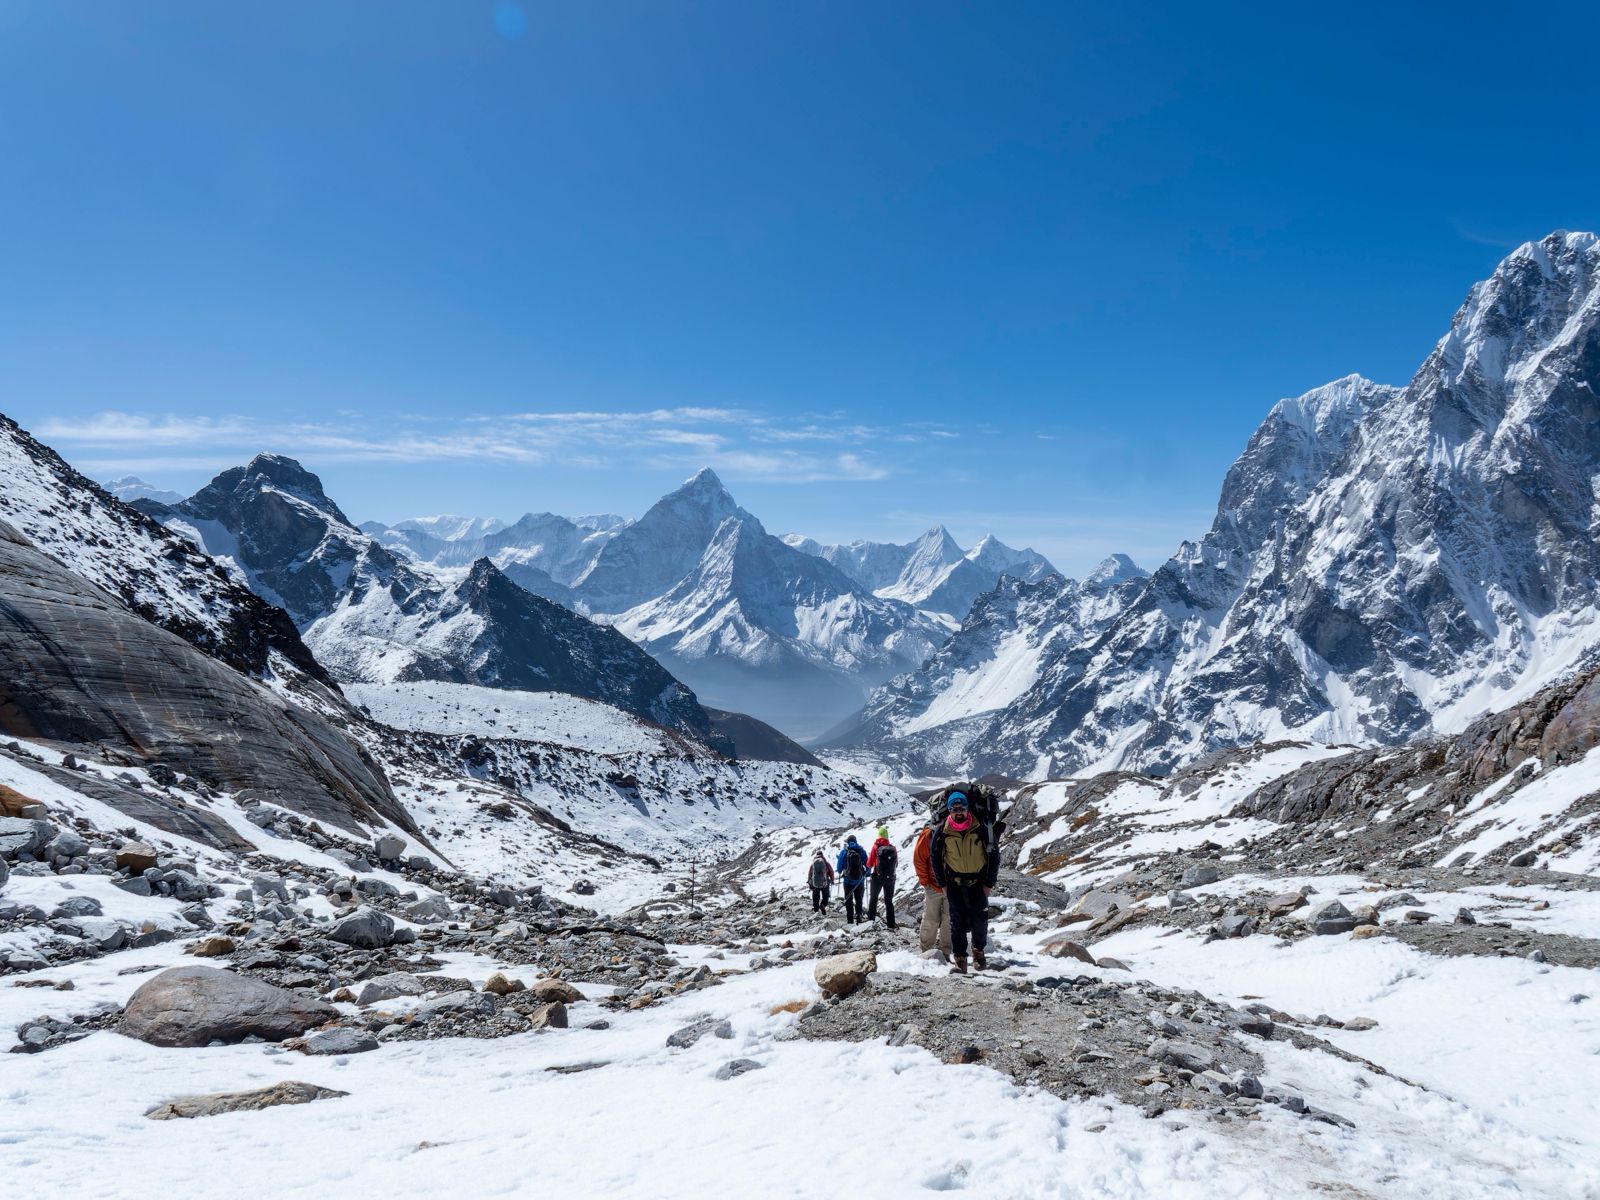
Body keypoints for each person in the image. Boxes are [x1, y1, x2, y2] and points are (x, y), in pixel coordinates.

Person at [930, 791, 998, 974]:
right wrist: (942, 884)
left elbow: (994, 856)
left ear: (967, 808)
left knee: (979, 920)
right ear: (949, 810)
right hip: (954, 883)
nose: (958, 812)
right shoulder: (942, 830)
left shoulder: (981, 827)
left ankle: (979, 952)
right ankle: (960, 959)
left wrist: (989, 884)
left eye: (962, 808)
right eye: (954, 809)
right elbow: (935, 857)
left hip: (978, 882)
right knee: (957, 923)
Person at [912, 820, 952, 957]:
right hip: (948, 884)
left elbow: (919, 859)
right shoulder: (931, 833)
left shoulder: (929, 832)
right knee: (947, 919)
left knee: (932, 918)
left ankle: (928, 950)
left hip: (937, 884)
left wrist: (925, 881)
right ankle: (939, 952)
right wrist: (925, 882)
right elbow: (919, 859)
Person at [865, 825, 898, 929]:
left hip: (877, 876)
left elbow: (869, 864)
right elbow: (896, 863)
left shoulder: (876, 847)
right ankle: (891, 924)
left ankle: (870, 922)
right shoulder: (893, 848)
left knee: (873, 899)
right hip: (890, 877)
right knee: (889, 901)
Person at [836, 835, 868, 923]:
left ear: (848, 842)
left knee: (848, 901)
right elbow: (868, 865)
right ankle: (859, 916)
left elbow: (839, 869)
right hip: (859, 881)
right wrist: (866, 874)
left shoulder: (844, 851)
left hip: (847, 881)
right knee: (859, 900)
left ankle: (850, 920)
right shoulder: (862, 851)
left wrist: (841, 870)